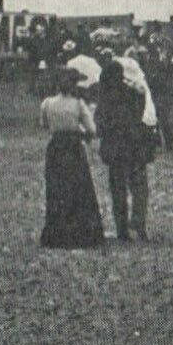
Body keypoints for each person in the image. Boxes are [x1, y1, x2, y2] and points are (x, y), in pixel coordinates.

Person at [38, 68, 104, 249]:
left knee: (57, 187)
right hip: (73, 147)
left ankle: (57, 231)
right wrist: (80, 131)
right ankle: (80, 231)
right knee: (78, 187)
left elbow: (44, 125)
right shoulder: (78, 104)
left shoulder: (47, 103)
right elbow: (92, 129)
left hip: (56, 147)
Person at [97, 58, 154, 242]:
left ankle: (121, 229)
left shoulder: (105, 98)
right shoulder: (135, 93)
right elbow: (141, 115)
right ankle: (139, 223)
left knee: (118, 189)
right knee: (139, 186)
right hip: (135, 145)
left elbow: (100, 125)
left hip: (115, 149)